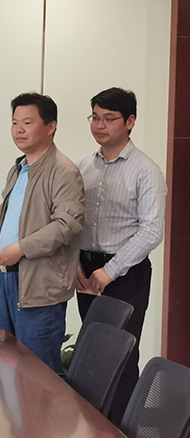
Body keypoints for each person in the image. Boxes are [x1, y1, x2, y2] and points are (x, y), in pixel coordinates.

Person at [0, 93, 85, 372]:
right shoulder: (19, 167)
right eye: (15, 123)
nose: (19, 130)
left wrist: (21, 248)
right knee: (1, 364)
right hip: (6, 279)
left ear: (51, 127)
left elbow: (67, 225)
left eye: (27, 123)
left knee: (37, 373)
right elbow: (6, 210)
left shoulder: (64, 171)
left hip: (39, 285)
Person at [76, 87, 166, 426]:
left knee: (122, 357)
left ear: (130, 122)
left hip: (126, 273)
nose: (99, 125)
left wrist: (109, 271)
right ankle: (93, 427)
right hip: (85, 270)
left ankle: (121, 430)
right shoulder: (83, 165)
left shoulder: (145, 170)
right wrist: (75, 264)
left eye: (109, 118)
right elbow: (71, 220)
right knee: (92, 357)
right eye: (95, 117)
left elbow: (152, 231)